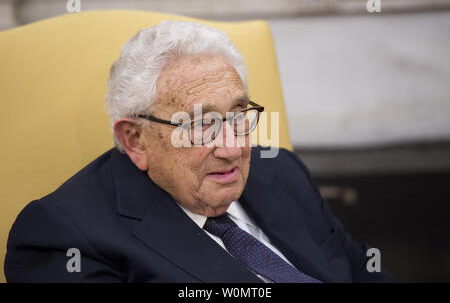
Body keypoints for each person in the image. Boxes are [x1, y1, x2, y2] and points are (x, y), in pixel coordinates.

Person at [4, 21, 394, 283]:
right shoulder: (63, 236)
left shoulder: (282, 171)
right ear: (135, 140)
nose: (234, 147)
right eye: (200, 125)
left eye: (238, 115)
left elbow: (360, 269)